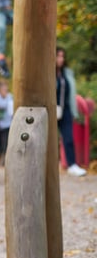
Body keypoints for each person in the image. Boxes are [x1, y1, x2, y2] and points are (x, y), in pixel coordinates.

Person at [56, 47, 87, 177]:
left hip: (66, 109)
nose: (61, 59)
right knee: (49, 139)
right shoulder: (47, 72)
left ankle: (72, 164)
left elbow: (71, 93)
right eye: (58, 56)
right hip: (52, 109)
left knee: (68, 137)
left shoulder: (66, 73)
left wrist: (74, 111)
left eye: (62, 56)